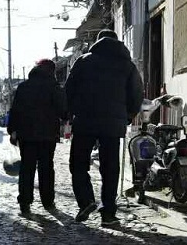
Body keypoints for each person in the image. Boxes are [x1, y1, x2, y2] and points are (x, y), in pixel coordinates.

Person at [65, 29, 143, 227]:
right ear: (117, 42)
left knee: (78, 164)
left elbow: (69, 90)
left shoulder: (83, 61)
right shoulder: (128, 65)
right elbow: (137, 94)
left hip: (85, 121)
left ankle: (86, 201)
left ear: (97, 42)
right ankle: (108, 214)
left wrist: (71, 114)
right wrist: (127, 116)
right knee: (110, 169)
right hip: (113, 124)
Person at [7, 59, 66, 215]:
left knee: (27, 168)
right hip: (48, 136)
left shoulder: (23, 87)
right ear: (51, 71)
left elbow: (15, 111)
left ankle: (25, 202)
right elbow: (63, 111)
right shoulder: (54, 88)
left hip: (26, 136)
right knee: (46, 168)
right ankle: (48, 201)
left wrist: (12, 130)